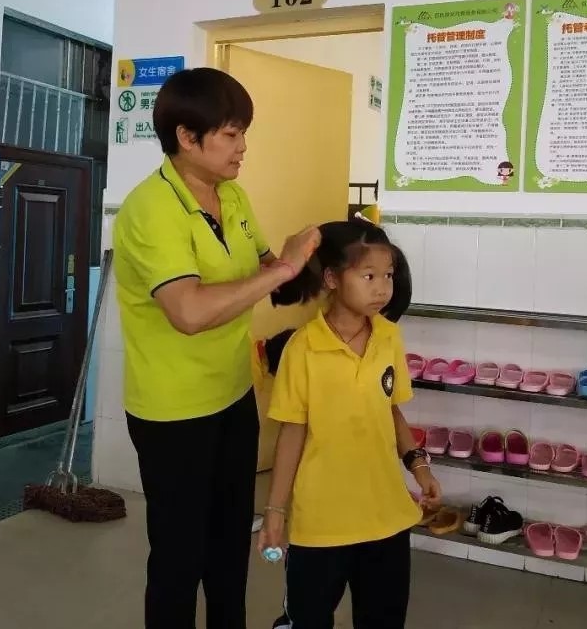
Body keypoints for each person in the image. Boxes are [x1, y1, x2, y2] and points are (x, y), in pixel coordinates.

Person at [113, 67, 320, 629]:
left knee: (230, 545)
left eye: (243, 133)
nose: (243, 147)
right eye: (231, 134)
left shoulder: (232, 196)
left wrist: (319, 262)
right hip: (172, 410)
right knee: (180, 557)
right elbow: (189, 312)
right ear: (186, 136)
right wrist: (281, 269)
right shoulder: (150, 209)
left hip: (232, 395)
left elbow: (264, 272)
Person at [257, 220, 442, 629]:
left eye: (388, 276)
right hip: (321, 522)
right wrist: (274, 510)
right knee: (308, 619)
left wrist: (418, 465)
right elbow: (292, 433)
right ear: (332, 279)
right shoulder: (302, 348)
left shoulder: (389, 337)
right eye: (369, 276)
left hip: (387, 516)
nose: (383, 288)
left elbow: (390, 409)